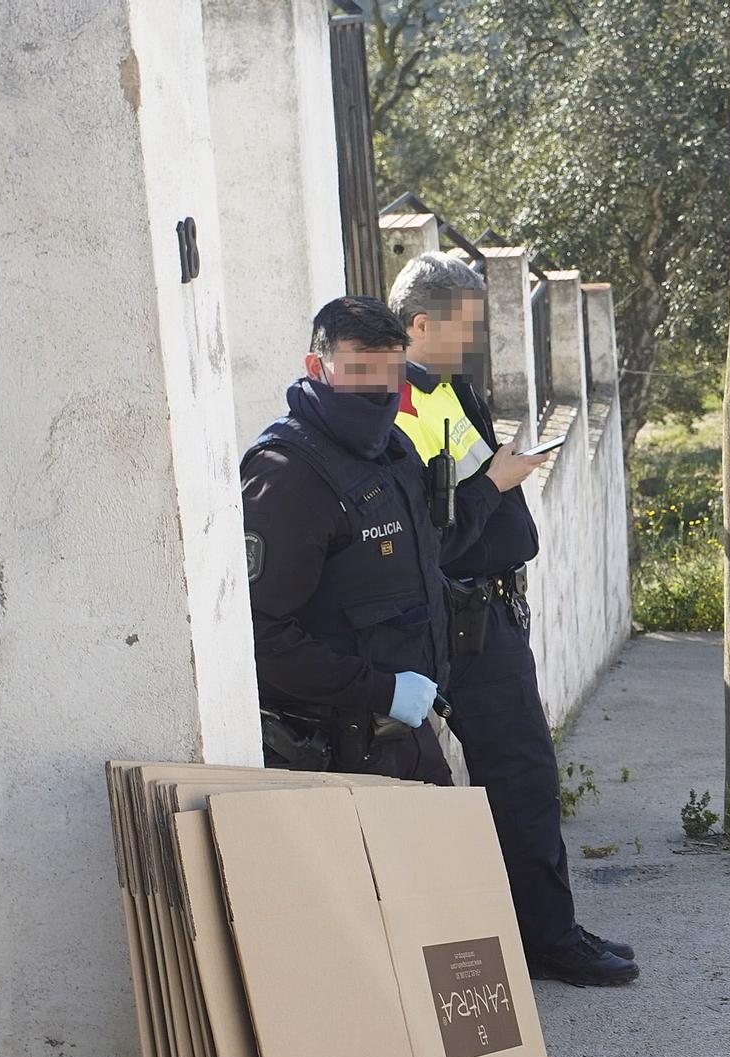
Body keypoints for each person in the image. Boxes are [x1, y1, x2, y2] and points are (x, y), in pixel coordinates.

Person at [386, 254, 638, 987]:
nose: (473, 341)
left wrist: (499, 473)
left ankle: (538, 930)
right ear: (420, 323)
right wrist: (495, 482)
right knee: (519, 777)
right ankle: (547, 941)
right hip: (460, 618)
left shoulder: (446, 389)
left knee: (519, 779)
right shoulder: (398, 404)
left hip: (489, 608)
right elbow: (429, 535)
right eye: (462, 327)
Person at [243, 296, 540, 781]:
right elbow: (261, 634)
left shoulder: (393, 452)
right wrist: (382, 691)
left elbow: (433, 547)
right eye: (359, 368)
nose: (378, 389)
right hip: (334, 753)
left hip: (404, 737)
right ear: (316, 367)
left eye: (390, 372)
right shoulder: (285, 476)